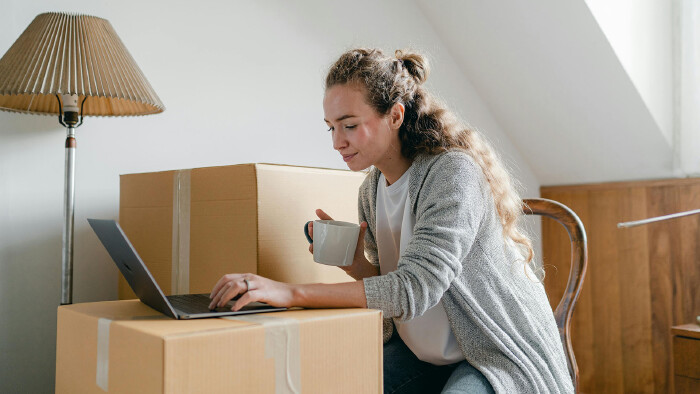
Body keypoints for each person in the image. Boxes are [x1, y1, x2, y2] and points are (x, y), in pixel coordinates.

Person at [209, 48, 573, 394]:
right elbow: (395, 298)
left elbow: (415, 290)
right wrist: (358, 267)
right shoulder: (370, 191)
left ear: (395, 116)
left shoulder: (451, 172)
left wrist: (289, 293)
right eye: (331, 127)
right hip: (426, 355)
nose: (337, 141)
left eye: (349, 125)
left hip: (495, 354)